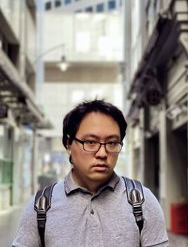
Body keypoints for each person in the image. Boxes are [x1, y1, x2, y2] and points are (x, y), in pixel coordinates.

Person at [12, 99, 169, 247]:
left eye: (112, 143)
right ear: (68, 144)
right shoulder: (41, 207)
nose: (102, 153)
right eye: (91, 142)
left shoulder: (142, 202)